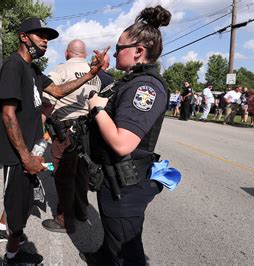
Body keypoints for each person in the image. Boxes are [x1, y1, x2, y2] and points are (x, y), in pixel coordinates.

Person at [0, 17, 105, 264]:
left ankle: (16, 246)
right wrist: (25, 157)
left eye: (47, 37)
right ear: (24, 37)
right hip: (17, 155)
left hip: (30, 152)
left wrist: (91, 73)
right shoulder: (13, 66)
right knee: (15, 207)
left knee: (23, 205)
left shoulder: (33, 69)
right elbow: (8, 114)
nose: (45, 41)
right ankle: (11, 257)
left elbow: (57, 90)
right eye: (40, 35)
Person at [83, 6, 170, 264]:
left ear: (138, 52)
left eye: (120, 47)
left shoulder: (145, 87)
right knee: (113, 235)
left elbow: (122, 142)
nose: (116, 51)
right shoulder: (130, 81)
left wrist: (97, 108)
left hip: (125, 183)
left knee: (126, 252)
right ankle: (102, 257)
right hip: (113, 177)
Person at [40, 39, 103, 234]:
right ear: (84, 54)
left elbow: (48, 100)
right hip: (87, 131)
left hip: (65, 131)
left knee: (64, 175)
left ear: (67, 53)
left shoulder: (61, 70)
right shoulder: (96, 76)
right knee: (82, 173)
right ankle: (81, 210)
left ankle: (64, 219)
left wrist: (38, 127)